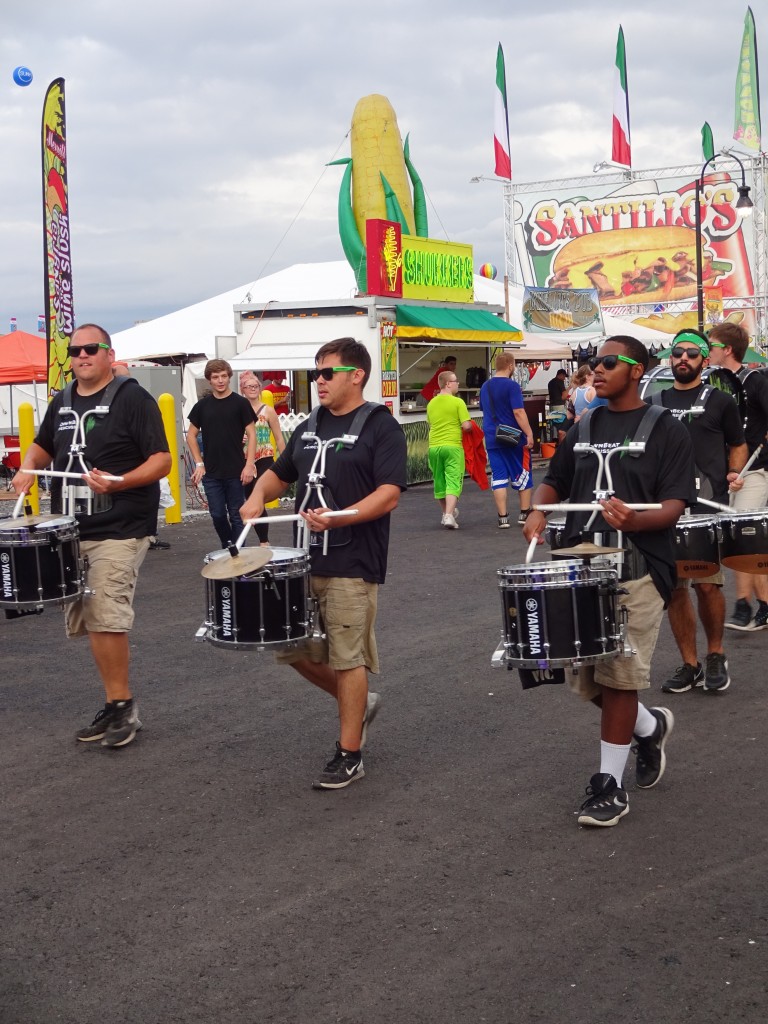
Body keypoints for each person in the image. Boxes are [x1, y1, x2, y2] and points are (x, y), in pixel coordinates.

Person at [523, 335, 696, 828]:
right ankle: (649, 725)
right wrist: (540, 506)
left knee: (619, 675)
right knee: (589, 680)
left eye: (606, 362)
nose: (594, 370)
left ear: (636, 370)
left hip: (636, 563)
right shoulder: (584, 425)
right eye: (590, 363)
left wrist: (634, 522)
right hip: (576, 560)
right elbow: (554, 480)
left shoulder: (665, 428)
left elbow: (675, 504)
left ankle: (609, 787)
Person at [240, 337, 407, 790]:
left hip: (354, 560)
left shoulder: (380, 426)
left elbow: (389, 492)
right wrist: (258, 494)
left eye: (326, 372)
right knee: (288, 646)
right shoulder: (310, 424)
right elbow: (282, 472)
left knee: (347, 656)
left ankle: (349, 752)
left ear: (356, 375)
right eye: (315, 373)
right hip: (302, 560)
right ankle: (358, 703)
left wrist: (340, 517)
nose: (318, 381)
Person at [12, 324, 172, 747]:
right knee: (88, 617)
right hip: (72, 528)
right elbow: (43, 445)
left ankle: (123, 707)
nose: (82, 355)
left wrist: (119, 482)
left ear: (108, 353)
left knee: (105, 611)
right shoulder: (62, 400)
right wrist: (28, 469)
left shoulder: (133, 398)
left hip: (121, 525)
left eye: (91, 349)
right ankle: (114, 701)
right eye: (76, 350)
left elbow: (162, 460)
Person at [648, 330, 747, 694]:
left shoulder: (721, 401)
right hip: (665, 508)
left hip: (706, 506)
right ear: (670, 359)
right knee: (675, 589)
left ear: (705, 361)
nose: (684, 358)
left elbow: (737, 444)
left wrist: (734, 472)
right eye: (678, 352)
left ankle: (716, 655)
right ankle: (690, 663)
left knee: (707, 585)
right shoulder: (654, 403)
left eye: (693, 353)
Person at [708, 322, 768, 631]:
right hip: (726, 473)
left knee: (744, 536)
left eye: (712, 346)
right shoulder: (713, 383)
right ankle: (765, 605)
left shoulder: (756, 381)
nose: (707, 352)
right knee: (738, 540)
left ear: (727, 350)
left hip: (755, 472)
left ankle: (744, 606)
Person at [186, 359, 256, 549]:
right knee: (217, 514)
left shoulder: (241, 403)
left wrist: (250, 464)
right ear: (209, 380)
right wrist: (199, 463)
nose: (220, 380)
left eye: (224, 376)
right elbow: (191, 436)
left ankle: (239, 552)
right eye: (216, 377)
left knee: (236, 514)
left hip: (236, 470)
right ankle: (228, 546)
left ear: (229, 377)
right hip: (211, 472)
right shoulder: (202, 406)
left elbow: (251, 433)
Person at [479, 352, 534, 528]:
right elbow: (518, 412)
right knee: (523, 473)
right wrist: (529, 432)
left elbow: (484, 409)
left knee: (498, 476)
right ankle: (524, 513)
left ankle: (503, 517)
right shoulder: (512, 386)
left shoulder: (485, 387)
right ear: (510, 365)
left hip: (492, 436)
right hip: (513, 436)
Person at [239, 372, 286, 545]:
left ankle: (264, 541)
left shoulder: (268, 410)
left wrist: (287, 459)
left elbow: (279, 437)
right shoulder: (238, 409)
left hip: (265, 456)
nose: (252, 389)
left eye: (255, 386)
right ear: (242, 389)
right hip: (244, 459)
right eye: (248, 386)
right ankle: (255, 539)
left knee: (259, 497)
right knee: (249, 498)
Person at [426, 369, 472, 529]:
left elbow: (431, 424)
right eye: (455, 381)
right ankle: (448, 515)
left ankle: (446, 513)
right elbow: (466, 425)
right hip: (453, 446)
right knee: (453, 480)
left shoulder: (431, 403)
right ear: (447, 384)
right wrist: (469, 427)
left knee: (439, 481)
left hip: (434, 447)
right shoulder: (458, 402)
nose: (458, 383)